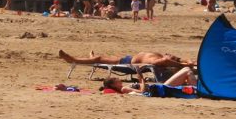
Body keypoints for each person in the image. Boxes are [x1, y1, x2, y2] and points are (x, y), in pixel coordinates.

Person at [59, 49, 195, 71]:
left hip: (128, 63)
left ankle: (73, 60)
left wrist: (182, 65)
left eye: (170, 55)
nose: (168, 53)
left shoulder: (161, 60)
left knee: (100, 59)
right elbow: (188, 61)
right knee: (102, 58)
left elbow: (165, 62)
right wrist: (186, 62)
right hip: (128, 58)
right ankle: (91, 58)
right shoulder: (163, 57)